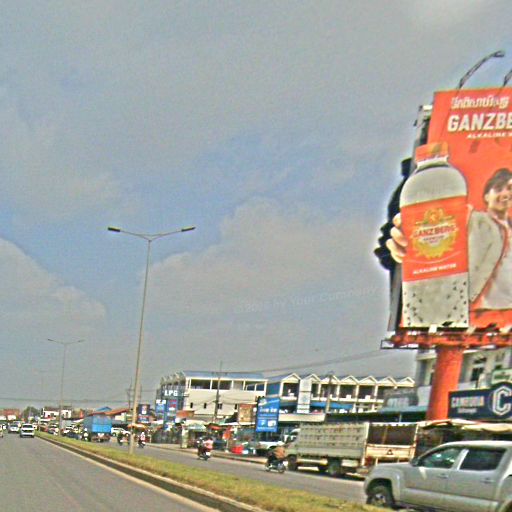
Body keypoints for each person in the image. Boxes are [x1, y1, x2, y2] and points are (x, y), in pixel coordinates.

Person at [385, 168, 512, 319]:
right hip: (470, 320)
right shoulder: (471, 222)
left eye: (509, 188)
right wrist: (404, 242)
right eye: (498, 189)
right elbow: (390, 248)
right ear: (486, 196)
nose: (505, 194)